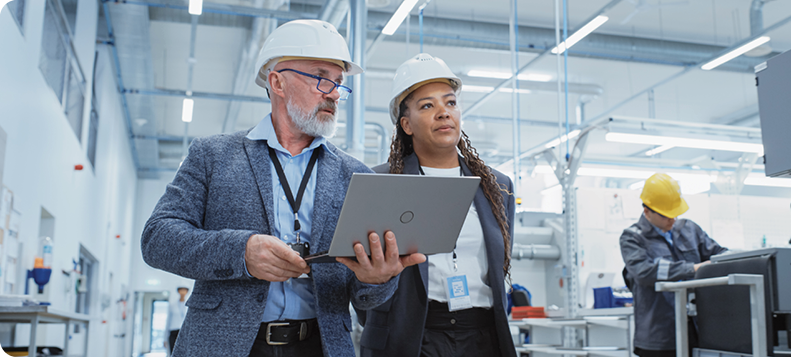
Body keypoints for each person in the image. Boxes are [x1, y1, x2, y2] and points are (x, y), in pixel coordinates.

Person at [141, 19, 424, 357]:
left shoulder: (355, 175)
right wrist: (242, 253)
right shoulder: (213, 155)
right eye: (321, 78)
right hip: (224, 344)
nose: (334, 93)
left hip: (321, 345)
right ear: (277, 82)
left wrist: (378, 278)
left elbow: (363, 296)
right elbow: (157, 238)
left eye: (339, 84)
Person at [357, 53, 517, 357]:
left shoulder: (498, 186)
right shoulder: (379, 182)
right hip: (408, 337)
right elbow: (362, 278)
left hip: (482, 336)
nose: (444, 113)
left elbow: (499, 266)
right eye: (427, 105)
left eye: (451, 102)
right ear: (406, 124)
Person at [619, 173, 728, 357]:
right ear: (647, 212)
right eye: (666, 216)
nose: (672, 220)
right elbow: (645, 272)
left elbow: (718, 253)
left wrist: (733, 260)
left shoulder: (690, 230)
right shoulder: (632, 238)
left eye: (675, 214)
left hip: (696, 330)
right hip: (658, 337)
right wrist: (692, 269)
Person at [165, 286, 189, 353]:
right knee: (173, 352)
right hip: (173, 332)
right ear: (178, 291)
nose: (183, 292)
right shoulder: (172, 305)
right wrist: (165, 338)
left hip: (184, 332)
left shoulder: (189, 306)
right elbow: (168, 321)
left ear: (187, 292)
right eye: (181, 290)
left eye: (184, 290)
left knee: (183, 352)